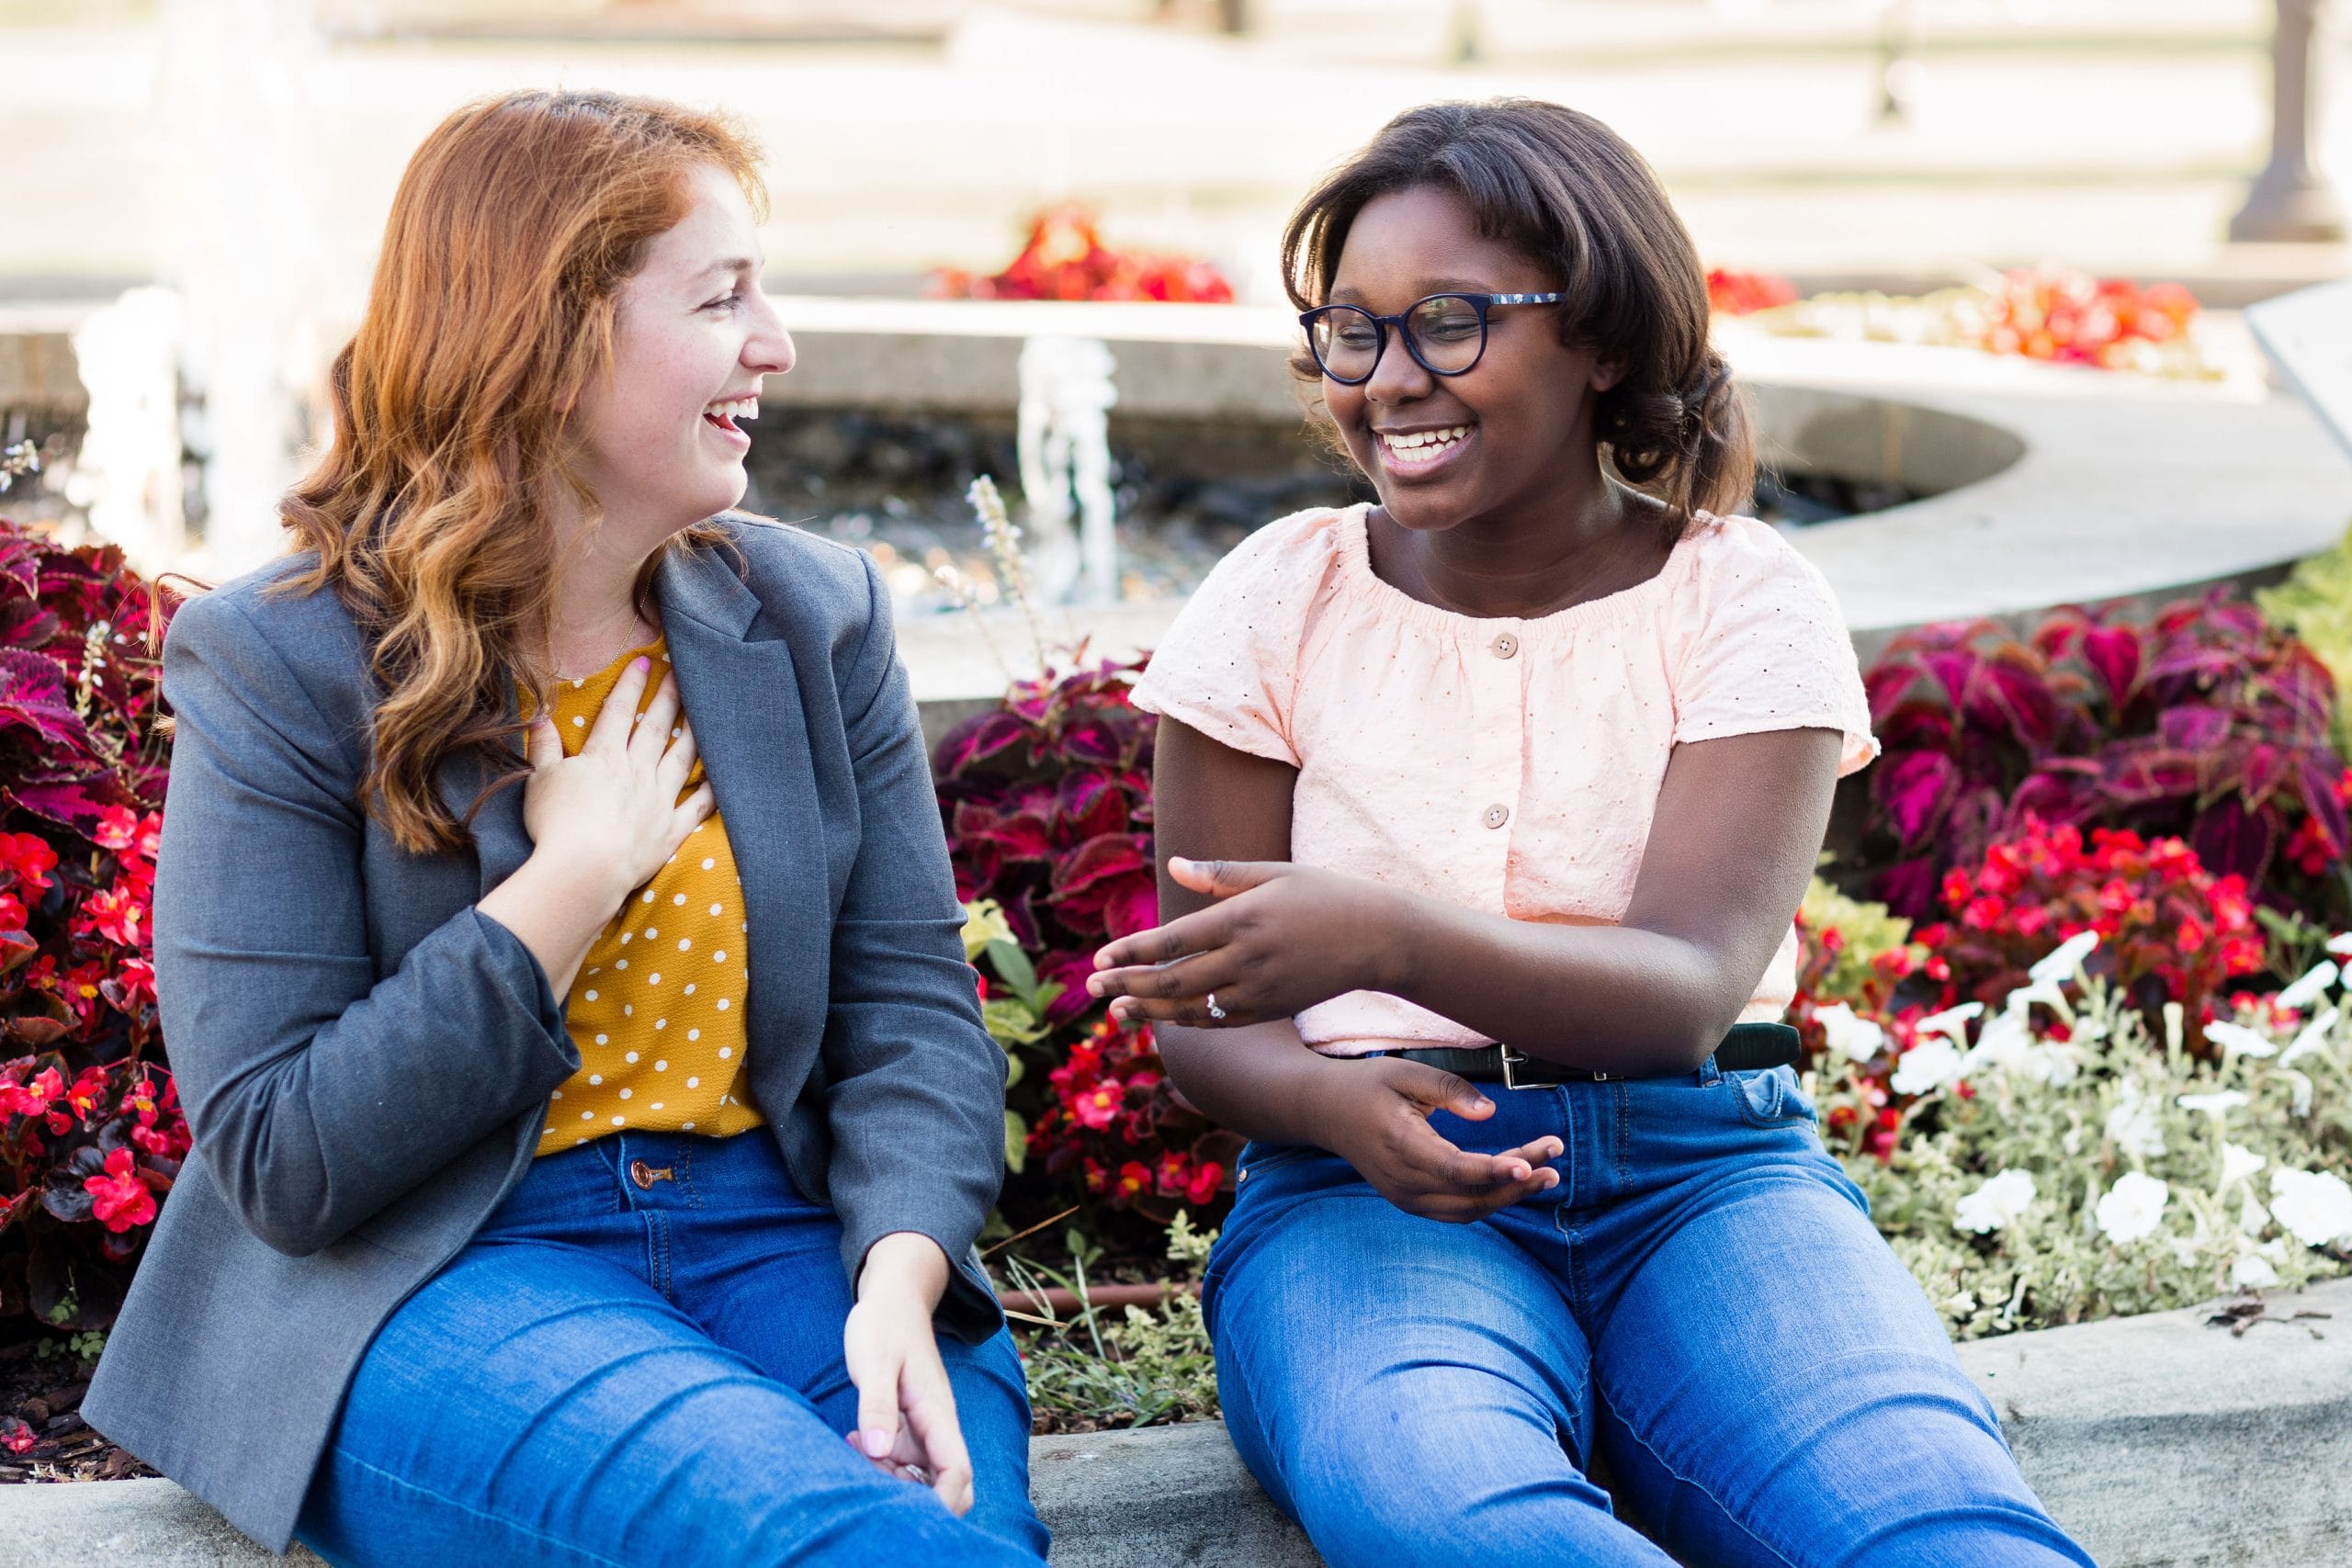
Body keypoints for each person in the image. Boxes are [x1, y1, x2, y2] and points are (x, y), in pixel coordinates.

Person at [1087, 99, 2094, 1568]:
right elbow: (1209, 1016)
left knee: (1934, 1522)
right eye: (1352, 331)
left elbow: (1683, 994)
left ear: (1605, 339)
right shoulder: (1276, 598)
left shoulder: (1740, 600)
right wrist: (1325, 1104)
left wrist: (1383, 936)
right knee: (1455, 1514)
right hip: (1364, 1199)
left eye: (1449, 322)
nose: (1390, 378)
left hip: (1709, 1180)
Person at [81, 89, 1047, 1568]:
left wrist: (901, 1278)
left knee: (946, 1524)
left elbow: (908, 1013)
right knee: (824, 1537)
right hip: (439, 1270)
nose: (776, 345)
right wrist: (569, 884)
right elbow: (282, 1155)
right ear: (550, 337)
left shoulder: (814, 614)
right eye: (721, 298)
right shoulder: (280, 659)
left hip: (788, 1242)